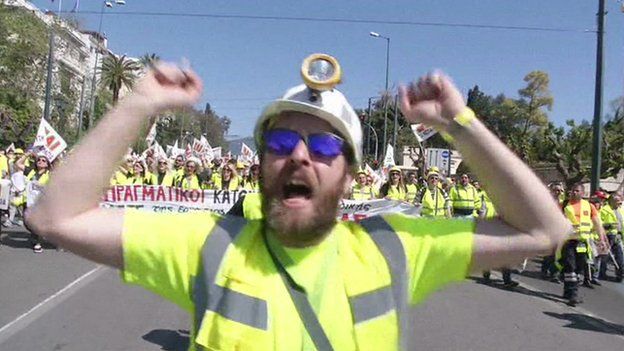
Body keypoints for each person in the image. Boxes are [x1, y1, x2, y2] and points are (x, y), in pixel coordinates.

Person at [26, 61, 570, 351]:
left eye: (326, 146)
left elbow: (546, 230)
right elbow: (55, 219)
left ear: (350, 174)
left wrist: (459, 126)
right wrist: (138, 104)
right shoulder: (208, 247)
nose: (300, 158)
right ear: (261, 162)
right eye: (282, 144)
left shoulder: (395, 249)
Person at [558, 183, 607, 306]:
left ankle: (569, 290)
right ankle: (573, 294)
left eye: (577, 191)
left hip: (583, 242)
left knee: (580, 267)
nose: (574, 193)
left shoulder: (589, 207)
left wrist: (602, 240)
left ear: (583, 193)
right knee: (570, 266)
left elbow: (597, 224)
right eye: (572, 190)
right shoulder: (564, 205)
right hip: (568, 241)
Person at [599, 193, 623, 282]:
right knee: (604, 256)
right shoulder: (604, 210)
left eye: (620, 202)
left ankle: (620, 274)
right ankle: (602, 273)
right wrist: (609, 226)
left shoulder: (620, 211)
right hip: (608, 235)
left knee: (620, 256)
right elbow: (599, 224)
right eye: (617, 201)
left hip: (618, 236)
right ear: (612, 201)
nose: (619, 203)